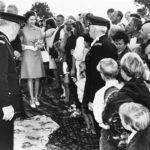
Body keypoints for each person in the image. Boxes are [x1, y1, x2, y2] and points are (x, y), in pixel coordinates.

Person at [102, 52, 150, 149]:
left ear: (123, 71)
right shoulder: (147, 86)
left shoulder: (120, 96)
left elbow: (105, 118)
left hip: (133, 140)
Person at [82, 14, 118, 138]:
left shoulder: (100, 46)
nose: (88, 30)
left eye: (89, 27)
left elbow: (98, 75)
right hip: (101, 90)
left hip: (100, 92)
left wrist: (92, 98)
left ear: (93, 29)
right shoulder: (103, 43)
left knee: (102, 129)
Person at [0, 11, 25, 150]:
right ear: (13, 27)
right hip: (3, 100)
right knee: (4, 138)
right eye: (18, 28)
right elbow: (0, 76)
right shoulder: (2, 43)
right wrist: (6, 104)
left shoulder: (3, 41)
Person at [93, 58, 122, 150]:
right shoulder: (124, 88)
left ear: (102, 74)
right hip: (124, 132)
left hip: (108, 132)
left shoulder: (100, 93)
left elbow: (98, 117)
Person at [20, 11, 45, 108]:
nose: (33, 21)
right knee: (30, 77)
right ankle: (31, 98)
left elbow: (42, 43)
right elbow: (20, 45)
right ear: (27, 20)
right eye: (31, 19)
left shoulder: (39, 30)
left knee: (37, 77)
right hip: (27, 54)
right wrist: (29, 47)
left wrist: (39, 46)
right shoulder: (22, 30)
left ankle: (36, 98)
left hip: (37, 54)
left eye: (34, 19)